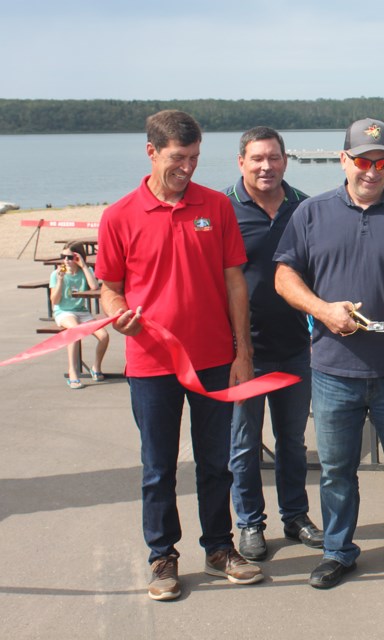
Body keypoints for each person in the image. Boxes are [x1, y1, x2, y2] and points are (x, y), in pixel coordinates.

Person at [274, 118, 384, 589]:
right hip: (333, 369)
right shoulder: (310, 213)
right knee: (335, 472)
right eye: (363, 160)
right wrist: (323, 310)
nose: (373, 170)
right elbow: (285, 278)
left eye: (383, 161)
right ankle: (338, 552)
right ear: (344, 159)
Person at [96, 110, 262, 602]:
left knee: (216, 463)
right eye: (177, 158)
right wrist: (118, 312)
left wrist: (243, 350)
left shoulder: (216, 206)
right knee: (157, 467)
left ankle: (219, 548)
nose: (187, 167)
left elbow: (236, 282)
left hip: (214, 359)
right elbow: (109, 289)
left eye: (193, 157)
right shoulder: (119, 216)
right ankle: (162, 556)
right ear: (151, 152)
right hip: (150, 364)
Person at [223, 126, 322, 561]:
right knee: (244, 444)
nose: (267, 166)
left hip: (295, 347)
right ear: (241, 161)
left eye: (275, 158)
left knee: (292, 440)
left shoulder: (304, 206)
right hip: (242, 351)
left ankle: (296, 515)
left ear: (285, 160)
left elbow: (317, 270)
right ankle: (249, 523)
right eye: (257, 158)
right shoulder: (224, 208)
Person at [50, 241, 109, 388]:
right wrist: (60, 281)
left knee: (104, 336)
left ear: (78, 258)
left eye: (70, 257)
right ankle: (72, 372)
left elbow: (95, 286)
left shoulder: (84, 271)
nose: (66, 261)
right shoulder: (56, 274)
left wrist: (83, 265)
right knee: (74, 331)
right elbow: (55, 301)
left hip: (82, 312)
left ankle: (96, 367)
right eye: (63, 257)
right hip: (63, 311)